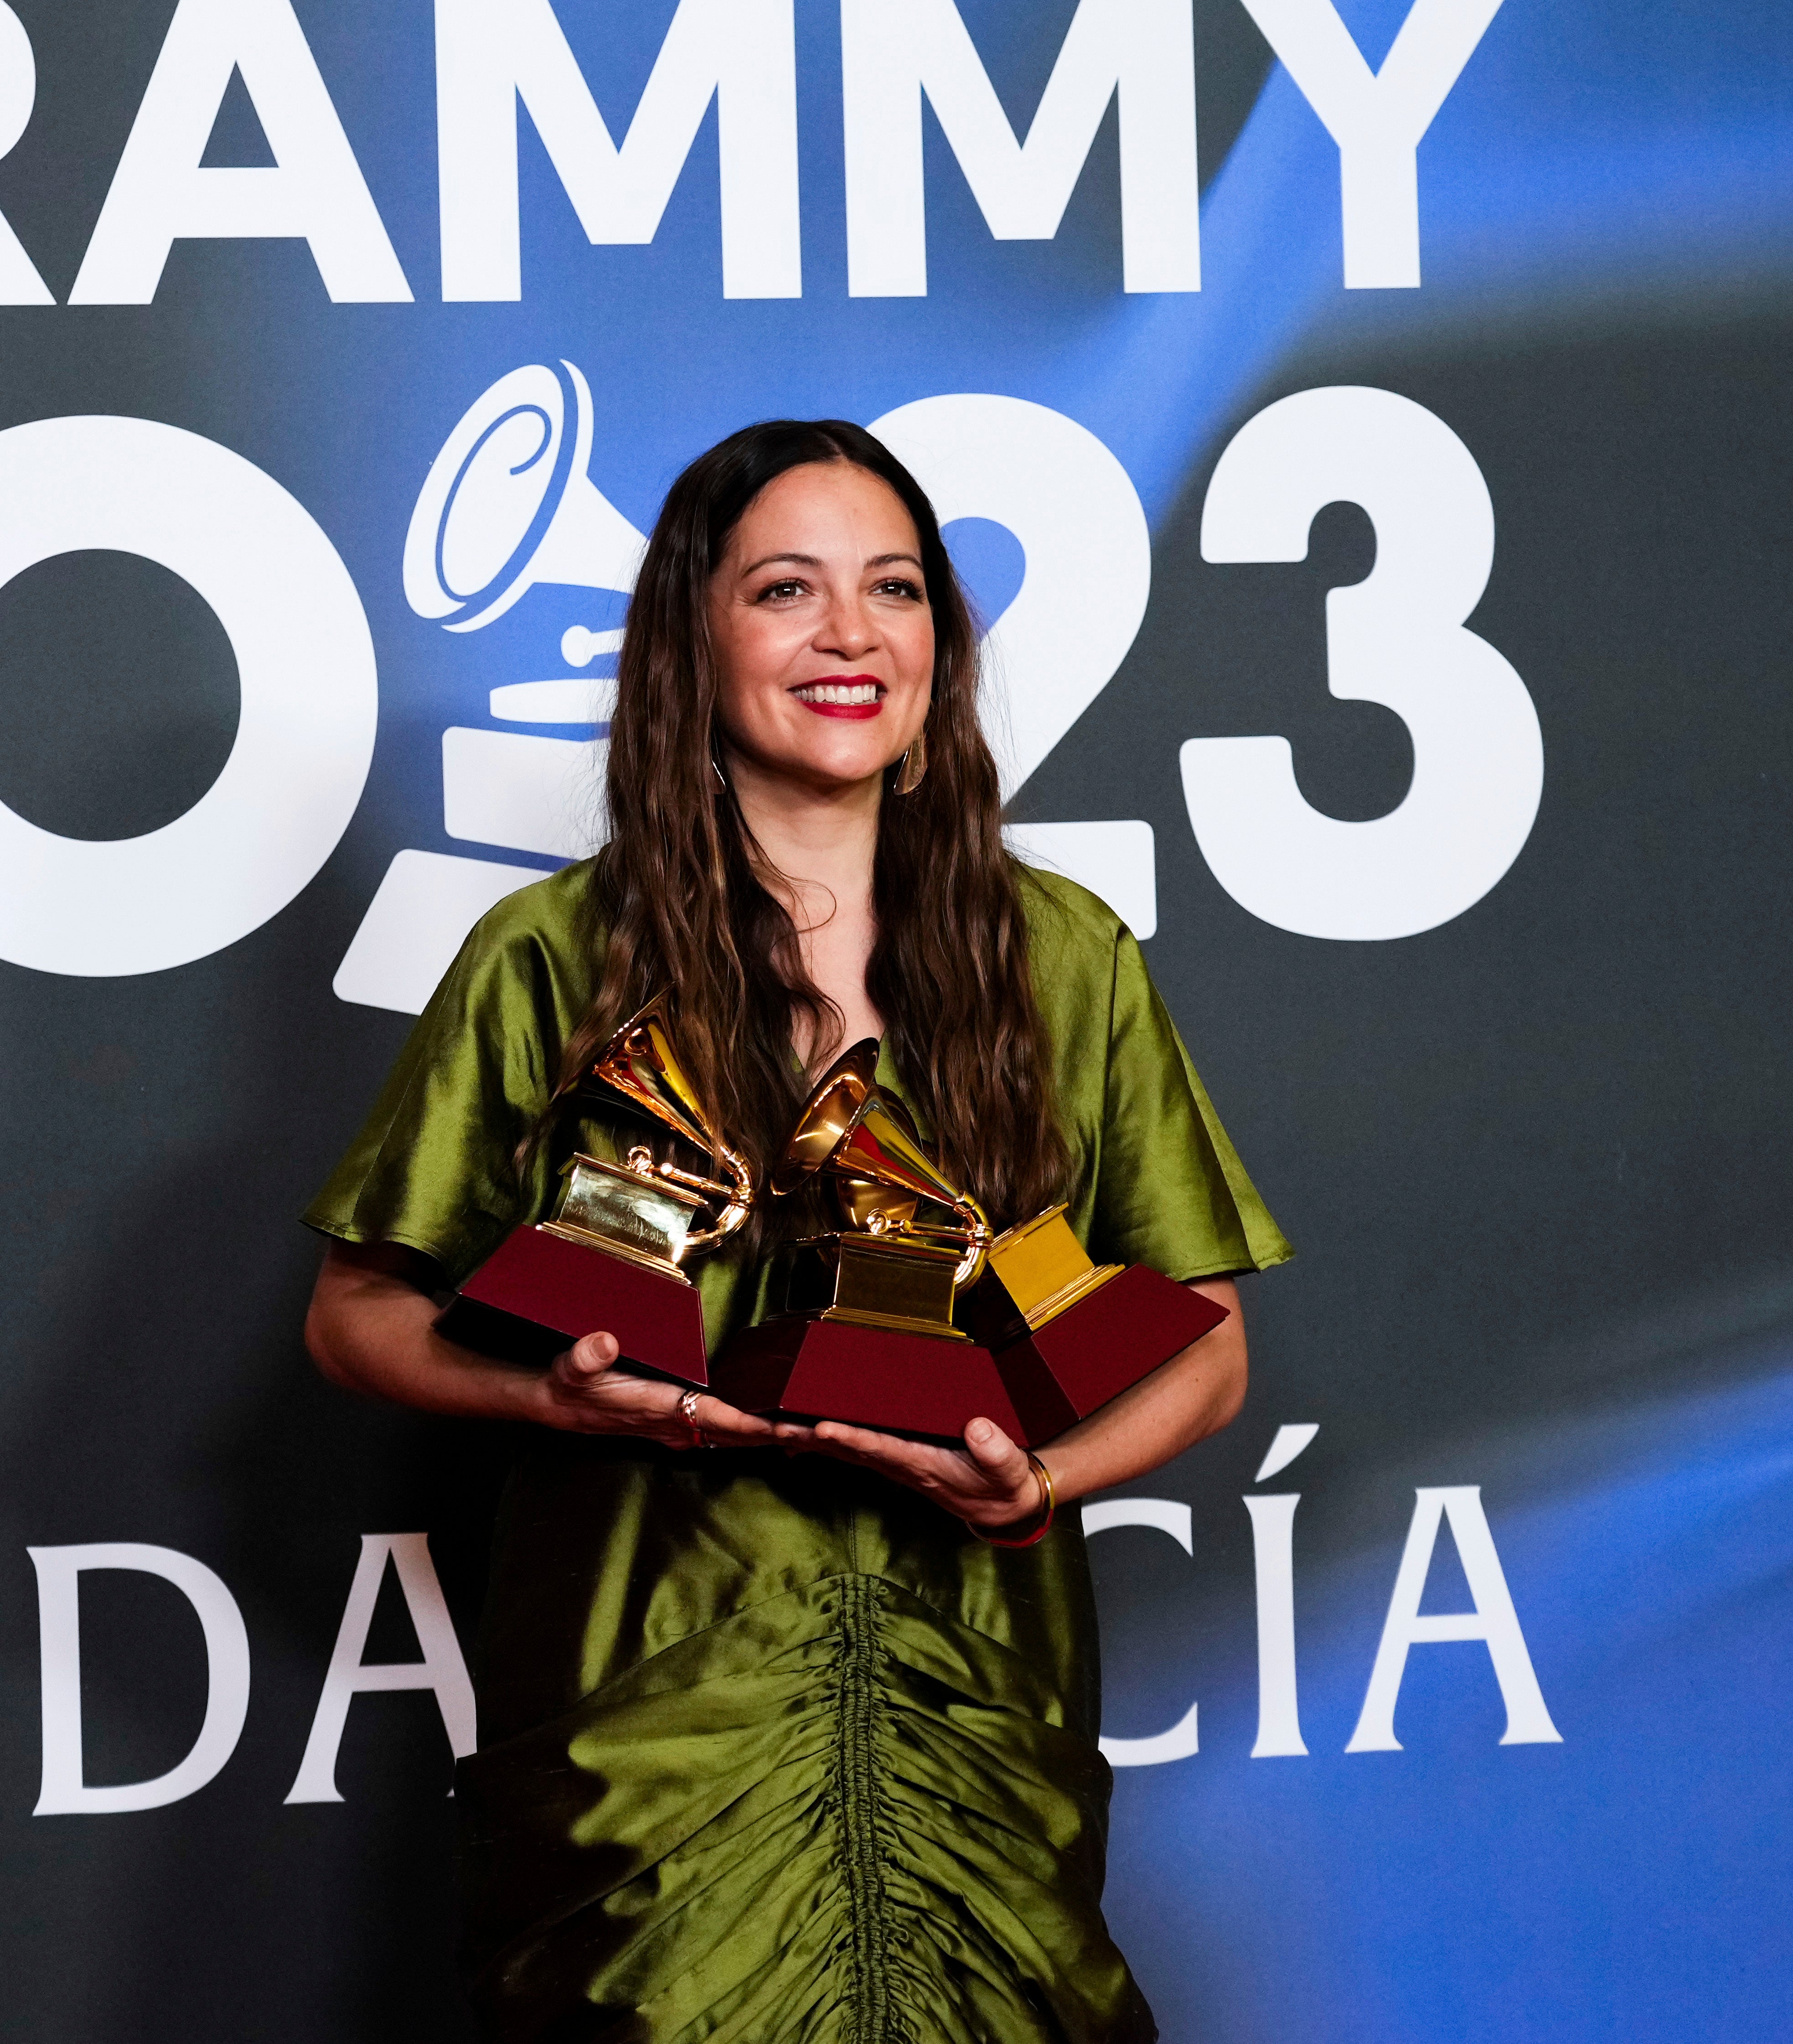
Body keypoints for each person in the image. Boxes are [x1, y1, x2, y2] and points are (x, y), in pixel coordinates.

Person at [301, 418, 1290, 2043]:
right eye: (786, 590)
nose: (851, 635)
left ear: (939, 648)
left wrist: (1038, 1480)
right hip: (654, 1735)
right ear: (694, 644)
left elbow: (1210, 1351)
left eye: (894, 590)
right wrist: (542, 1397)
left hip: (974, 1715)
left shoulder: (1068, 958)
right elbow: (354, 1317)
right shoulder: (549, 958)